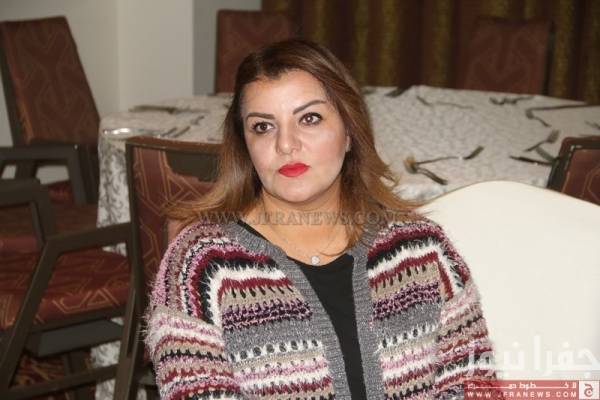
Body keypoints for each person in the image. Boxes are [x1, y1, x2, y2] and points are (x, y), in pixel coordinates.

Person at [145, 39, 496, 399]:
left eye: (309, 118)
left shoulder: (422, 250)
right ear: (245, 147)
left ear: (349, 133)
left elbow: (474, 387)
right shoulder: (201, 266)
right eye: (263, 127)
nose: (286, 144)